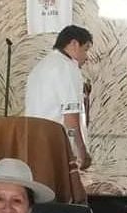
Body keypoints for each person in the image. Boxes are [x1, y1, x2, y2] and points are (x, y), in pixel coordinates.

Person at [24, 25, 93, 170]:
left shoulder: (40, 67)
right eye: (85, 49)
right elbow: (71, 118)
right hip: (56, 147)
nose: (86, 57)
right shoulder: (68, 67)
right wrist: (81, 151)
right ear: (74, 44)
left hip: (32, 144)